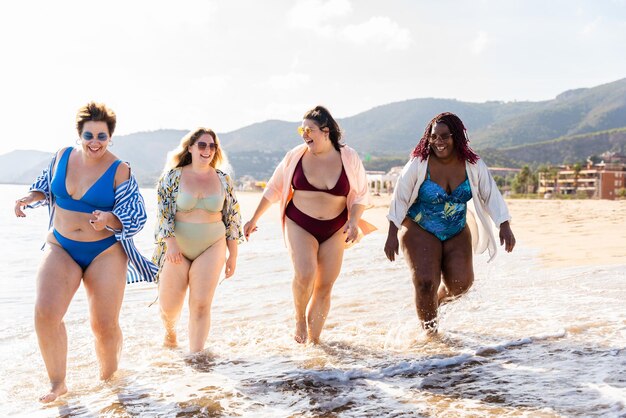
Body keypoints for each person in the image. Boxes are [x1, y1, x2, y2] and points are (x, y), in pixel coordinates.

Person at [13, 102, 156, 403]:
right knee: (45, 313)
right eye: (89, 135)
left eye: (101, 137)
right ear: (79, 134)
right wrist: (29, 197)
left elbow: (136, 214)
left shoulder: (120, 169)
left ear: (110, 138)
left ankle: (110, 382)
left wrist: (109, 219)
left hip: (104, 252)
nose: (95, 143)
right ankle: (57, 383)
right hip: (61, 246)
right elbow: (44, 187)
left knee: (103, 325)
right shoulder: (61, 157)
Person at [243, 105, 376, 344]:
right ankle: (298, 318)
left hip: (336, 227)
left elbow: (359, 196)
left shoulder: (349, 157)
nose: (304, 134)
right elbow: (274, 188)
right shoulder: (296, 155)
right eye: (301, 129)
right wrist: (254, 219)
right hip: (300, 223)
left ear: (326, 131)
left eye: (309, 130)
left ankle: (315, 345)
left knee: (325, 285)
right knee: (305, 274)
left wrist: (354, 221)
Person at [384, 112, 516, 334]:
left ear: (458, 137)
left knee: (461, 285)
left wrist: (504, 224)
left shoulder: (473, 164)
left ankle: (437, 301)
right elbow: (400, 197)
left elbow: (490, 193)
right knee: (425, 282)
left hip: (456, 229)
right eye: (434, 137)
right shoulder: (419, 163)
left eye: (445, 136)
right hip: (420, 226)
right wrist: (391, 233)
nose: (439, 142)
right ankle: (431, 336)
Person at [153, 127, 243, 353]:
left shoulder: (224, 180)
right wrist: (171, 244)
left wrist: (233, 254)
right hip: (177, 248)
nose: (207, 150)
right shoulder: (173, 176)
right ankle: (170, 335)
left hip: (212, 245)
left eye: (212, 146)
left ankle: (196, 357)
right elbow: (163, 214)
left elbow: (232, 218)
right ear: (190, 147)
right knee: (169, 307)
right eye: (202, 145)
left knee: (201, 304)